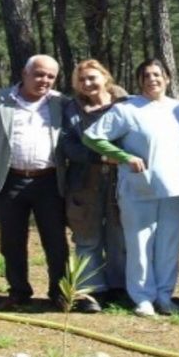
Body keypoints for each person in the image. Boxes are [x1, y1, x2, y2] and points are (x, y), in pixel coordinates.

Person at [83, 59, 179, 317]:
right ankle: (142, 298)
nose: (152, 79)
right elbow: (92, 136)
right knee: (140, 244)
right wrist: (123, 156)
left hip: (175, 187)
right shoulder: (127, 110)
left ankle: (165, 296)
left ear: (167, 78)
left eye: (157, 74)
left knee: (169, 244)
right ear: (139, 80)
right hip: (138, 188)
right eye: (146, 75)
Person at [0, 54, 69, 310]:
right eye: (39, 74)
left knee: (56, 240)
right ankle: (18, 291)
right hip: (10, 181)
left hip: (49, 181)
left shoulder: (61, 103)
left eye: (51, 76)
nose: (45, 80)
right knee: (12, 242)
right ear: (24, 74)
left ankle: (59, 292)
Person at [61, 59, 128, 313]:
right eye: (82, 80)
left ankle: (118, 287)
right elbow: (69, 146)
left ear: (105, 77)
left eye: (92, 78)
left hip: (118, 180)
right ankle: (90, 292)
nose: (87, 83)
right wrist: (99, 156)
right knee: (87, 236)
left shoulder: (125, 104)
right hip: (83, 181)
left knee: (118, 235)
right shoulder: (71, 109)